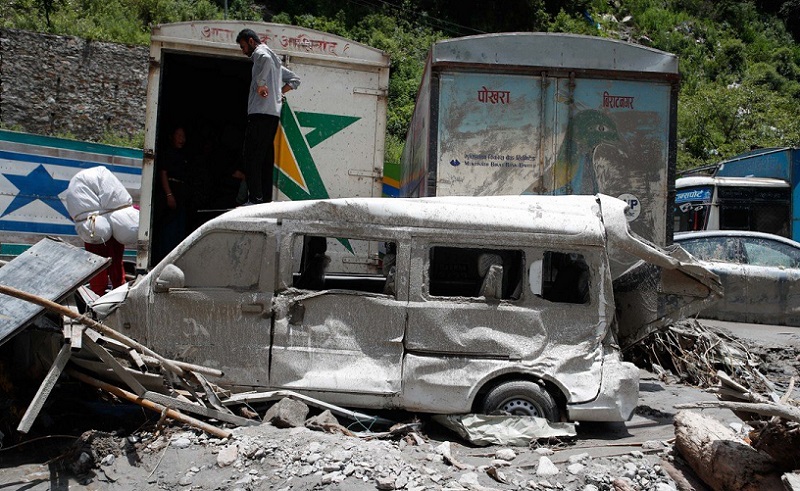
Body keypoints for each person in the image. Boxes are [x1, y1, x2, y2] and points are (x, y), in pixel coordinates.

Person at [236, 28, 300, 204]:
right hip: (272, 116)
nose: (243, 51)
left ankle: (255, 198)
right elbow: (295, 80)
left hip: (259, 115)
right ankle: (264, 198)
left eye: (243, 47)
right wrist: (279, 92)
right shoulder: (275, 62)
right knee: (263, 158)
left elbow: (263, 60)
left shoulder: (260, 53)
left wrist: (261, 84)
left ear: (251, 41)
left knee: (251, 157)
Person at [155, 126, 190, 262]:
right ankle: (164, 259)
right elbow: (163, 173)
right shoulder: (168, 153)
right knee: (168, 229)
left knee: (178, 230)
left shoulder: (183, 155)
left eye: (183, 136)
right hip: (171, 196)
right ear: (172, 136)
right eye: (179, 135)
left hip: (181, 197)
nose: (182, 139)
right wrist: (169, 195)